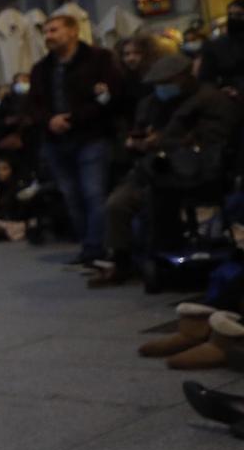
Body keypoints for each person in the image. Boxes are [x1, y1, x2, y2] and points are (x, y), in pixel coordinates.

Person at [89, 52, 241, 287]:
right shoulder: (150, 104)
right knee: (117, 204)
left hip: (195, 171)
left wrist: (162, 142)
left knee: (157, 201)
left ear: (184, 78)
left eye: (167, 82)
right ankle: (121, 260)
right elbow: (139, 130)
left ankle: (161, 258)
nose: (162, 88)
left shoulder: (211, 100)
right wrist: (136, 142)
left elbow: (215, 140)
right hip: (153, 169)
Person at [27, 8, 124, 265]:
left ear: (72, 31)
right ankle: (87, 244)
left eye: (54, 30)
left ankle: (97, 248)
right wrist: (50, 120)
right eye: (46, 31)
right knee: (71, 196)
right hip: (56, 141)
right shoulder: (41, 69)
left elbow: (108, 96)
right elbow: (34, 104)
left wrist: (73, 118)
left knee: (93, 193)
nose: (48, 35)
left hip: (91, 136)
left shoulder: (98, 59)